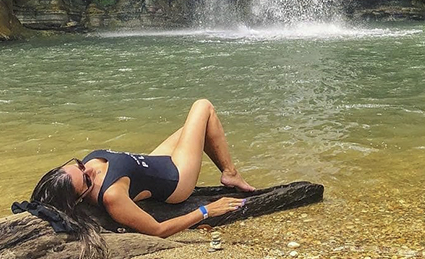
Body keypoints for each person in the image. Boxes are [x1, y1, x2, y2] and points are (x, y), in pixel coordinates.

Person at [30, 99, 256, 252]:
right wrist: (206, 211)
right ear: (80, 198)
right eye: (86, 180)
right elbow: (158, 230)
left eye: (79, 165)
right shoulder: (112, 197)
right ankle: (231, 174)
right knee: (203, 107)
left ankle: (230, 172)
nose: (90, 169)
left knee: (201, 126)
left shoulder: (87, 172)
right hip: (175, 179)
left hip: (156, 162)